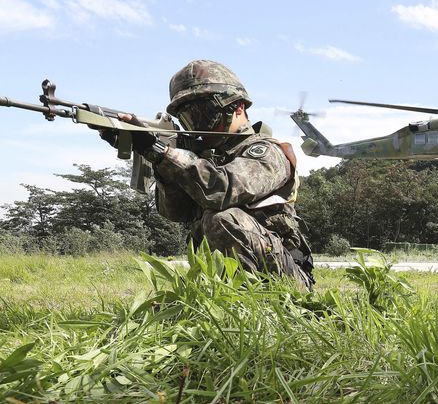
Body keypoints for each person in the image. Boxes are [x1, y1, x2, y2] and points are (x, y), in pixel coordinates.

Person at [101, 60, 314, 287]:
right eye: (188, 118)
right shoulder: (206, 157)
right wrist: (159, 161)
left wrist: (159, 152)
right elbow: (176, 212)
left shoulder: (267, 152)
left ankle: (255, 303)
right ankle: (222, 298)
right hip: (222, 281)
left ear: (238, 107)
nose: (196, 125)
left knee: (223, 219)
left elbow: (222, 189)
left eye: (204, 114)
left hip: (287, 280)